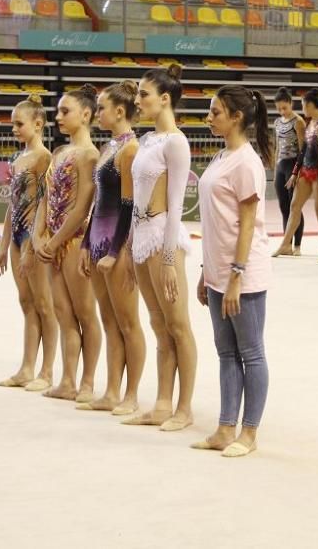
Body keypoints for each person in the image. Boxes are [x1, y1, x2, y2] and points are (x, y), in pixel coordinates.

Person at [192, 86, 273, 458]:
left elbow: (246, 224)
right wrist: (208, 271)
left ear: (236, 117)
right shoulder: (223, 155)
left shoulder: (246, 162)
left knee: (251, 352)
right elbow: (215, 221)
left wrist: (236, 276)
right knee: (225, 352)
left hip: (244, 273)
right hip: (218, 270)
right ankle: (226, 427)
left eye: (215, 112)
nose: (209, 118)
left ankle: (249, 432)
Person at [126, 66, 198, 429]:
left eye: (144, 95)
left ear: (165, 98)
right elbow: (135, 196)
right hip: (140, 238)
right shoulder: (147, 139)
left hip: (162, 237)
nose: (138, 101)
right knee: (158, 324)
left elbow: (176, 205)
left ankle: (184, 408)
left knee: (178, 325)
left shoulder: (175, 142)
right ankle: (162, 403)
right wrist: (128, 246)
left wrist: (169, 259)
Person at [76, 81, 145, 415]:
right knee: (110, 322)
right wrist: (87, 243)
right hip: (98, 239)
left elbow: (129, 206)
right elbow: (98, 201)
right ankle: (112, 390)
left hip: (117, 243)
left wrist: (116, 252)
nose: (97, 112)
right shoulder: (108, 147)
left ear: (120, 111)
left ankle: (131, 393)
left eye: (102, 107)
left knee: (129, 322)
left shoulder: (130, 149)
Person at [34, 85, 102, 402]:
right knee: (63, 312)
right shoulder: (60, 153)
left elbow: (82, 206)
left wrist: (57, 238)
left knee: (85, 313)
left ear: (86, 115)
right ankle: (67, 379)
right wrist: (39, 234)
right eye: (58, 111)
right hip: (53, 243)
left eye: (66, 111)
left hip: (75, 241)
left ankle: (88, 382)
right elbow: (46, 198)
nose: (58, 116)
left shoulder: (90, 156)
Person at [0, 95, 59, 392]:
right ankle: (26, 367)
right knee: (27, 303)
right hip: (19, 235)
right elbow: (12, 205)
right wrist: (3, 246)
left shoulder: (44, 158)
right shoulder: (17, 159)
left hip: (35, 236)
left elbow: (45, 204)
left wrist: (33, 245)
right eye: (12, 125)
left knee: (45, 304)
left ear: (37, 124)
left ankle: (46, 371)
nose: (14, 129)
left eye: (19, 124)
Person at [273, 88, 318, 257]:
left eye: (304, 105)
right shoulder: (310, 123)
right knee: (294, 206)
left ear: (311, 105)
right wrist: (295, 172)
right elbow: (304, 150)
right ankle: (285, 245)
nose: (302, 108)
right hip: (306, 169)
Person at [272, 87, 305, 256]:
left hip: (293, 165)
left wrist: (297, 171)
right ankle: (287, 244)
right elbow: (277, 146)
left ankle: (297, 244)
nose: (282, 111)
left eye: (284, 108)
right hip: (281, 166)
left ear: (291, 104)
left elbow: (302, 149)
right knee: (284, 206)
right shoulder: (277, 123)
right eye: (279, 109)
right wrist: (275, 165)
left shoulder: (298, 122)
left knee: (295, 206)